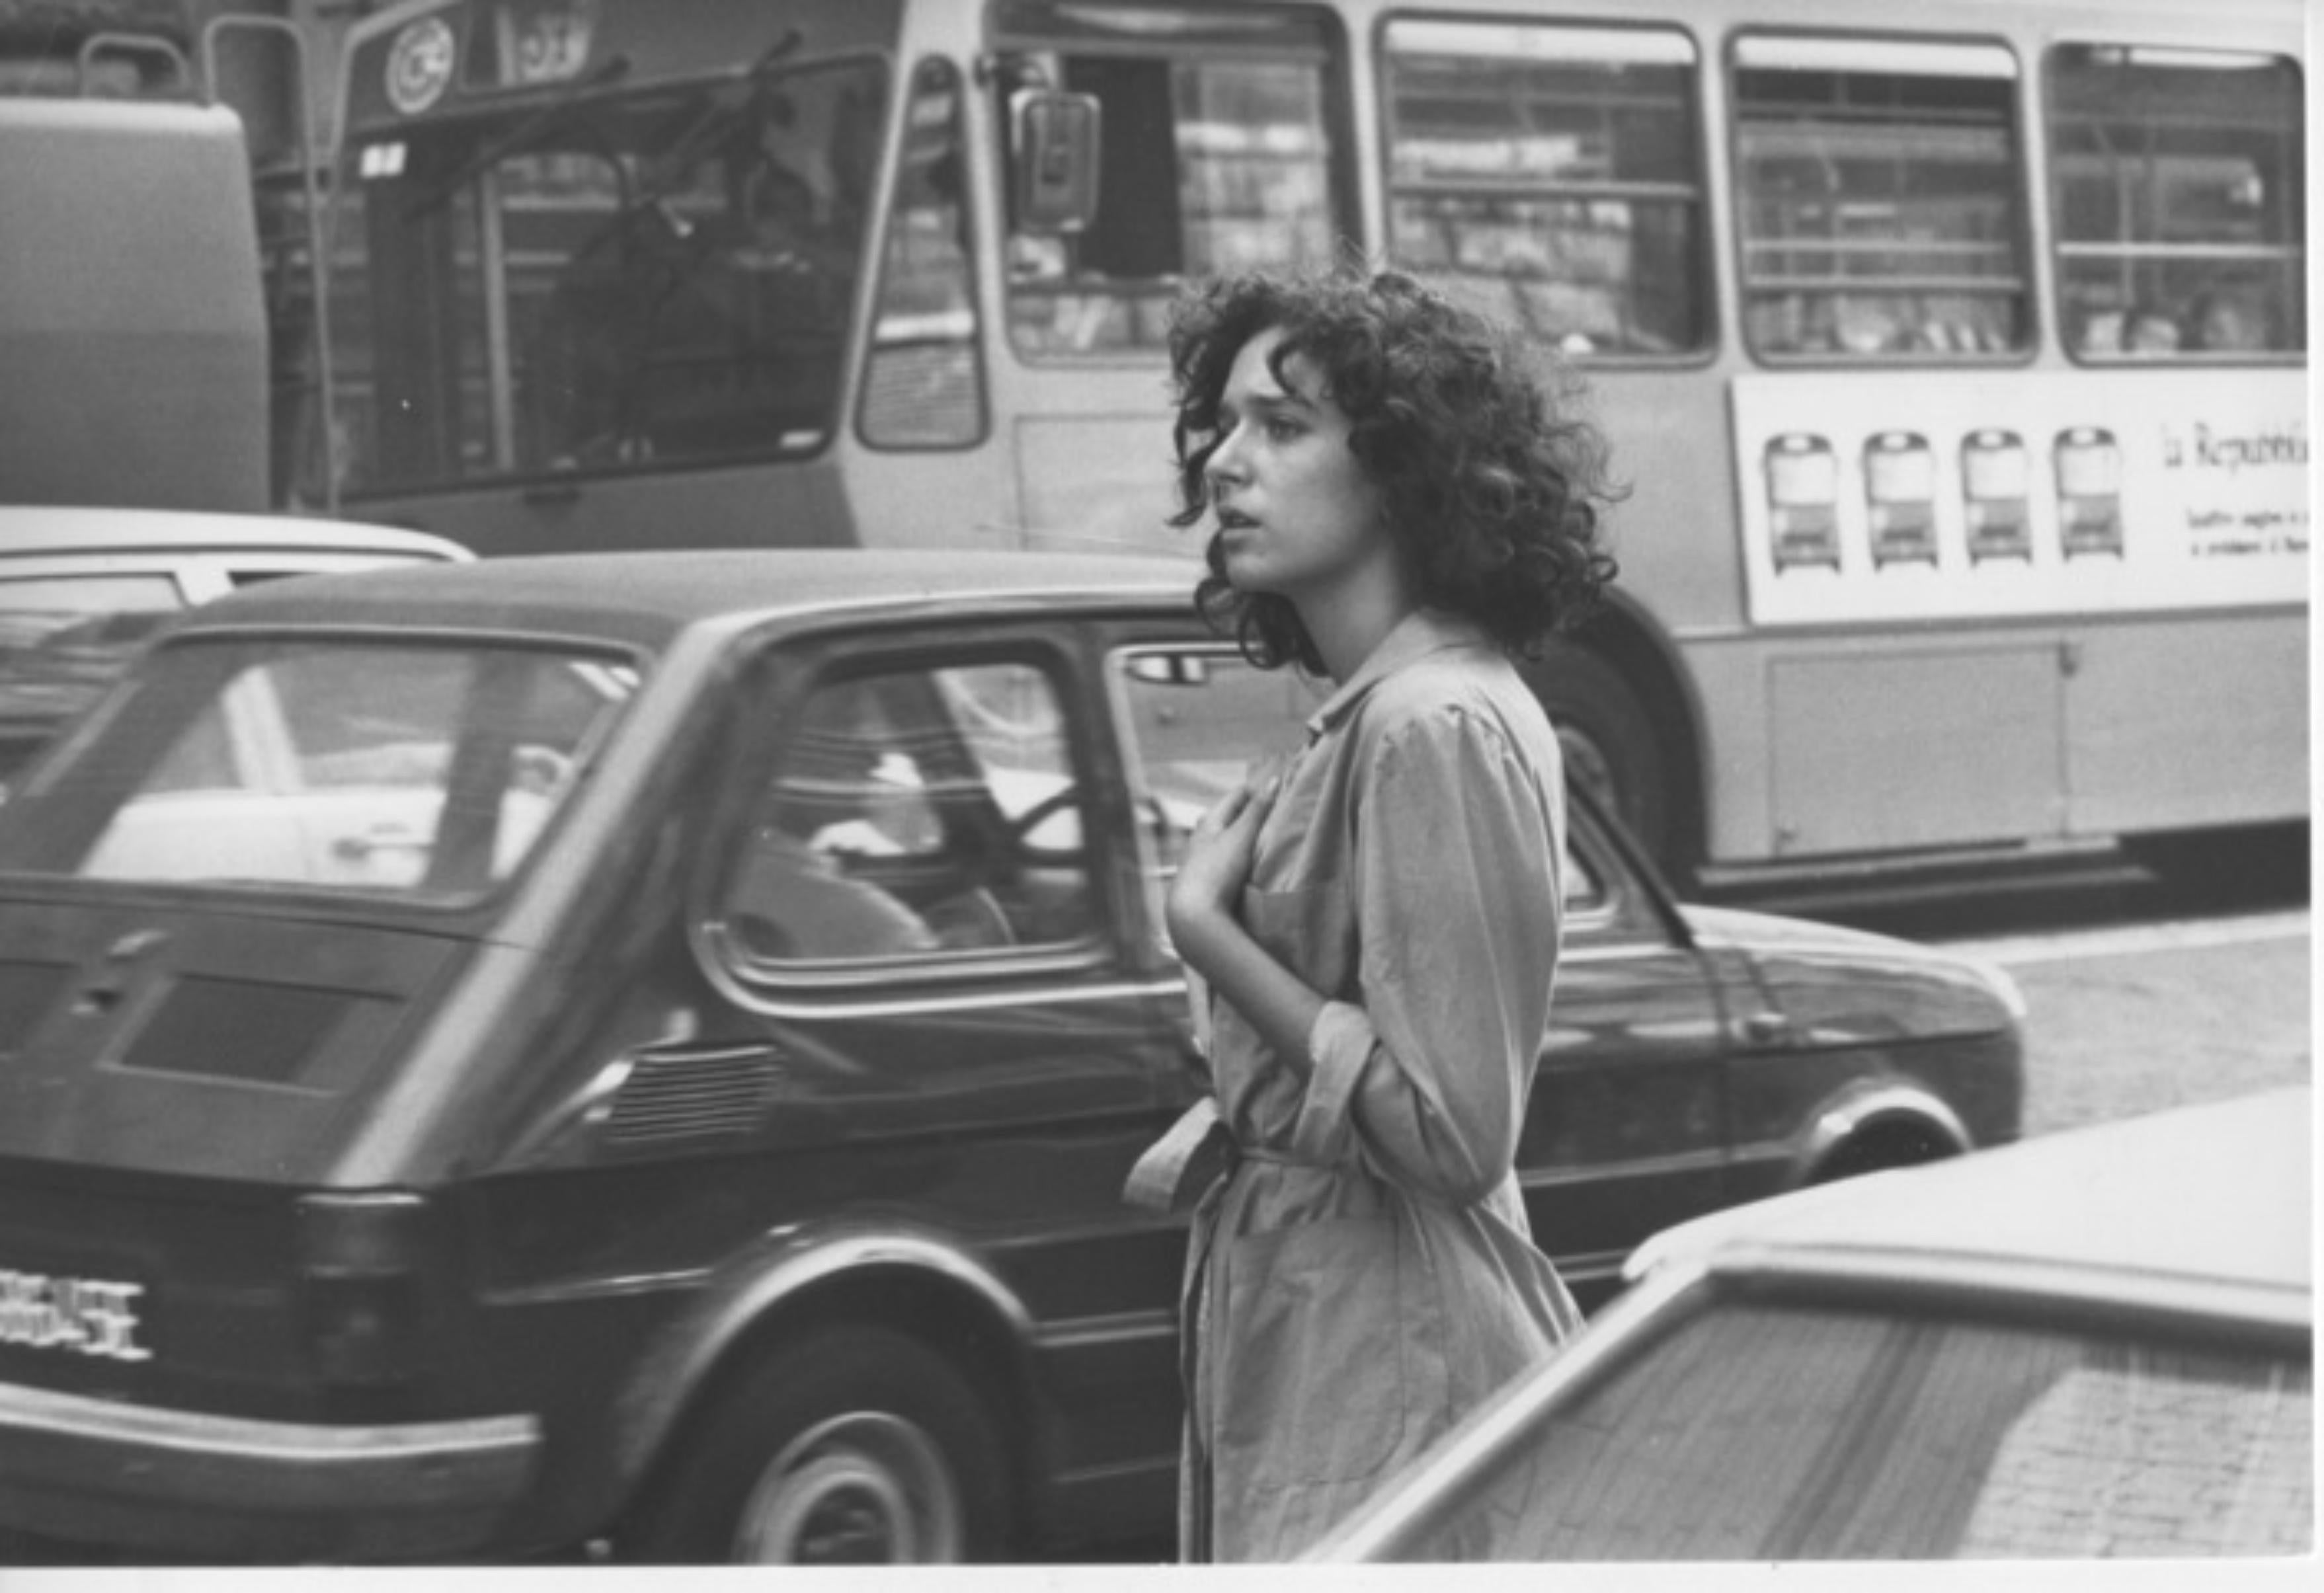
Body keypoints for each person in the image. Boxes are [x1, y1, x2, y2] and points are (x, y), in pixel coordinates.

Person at [1123, 266, 1618, 1561]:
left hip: (1386, 1336)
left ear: (1403, 471)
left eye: (1283, 428)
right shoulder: (1377, 712)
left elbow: (1455, 1129)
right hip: (1323, 1321)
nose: (1228, 464)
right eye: (1224, 425)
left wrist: (1209, 930)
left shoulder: (1431, 721)